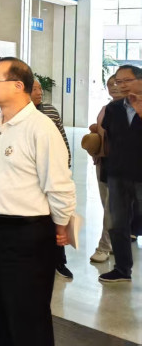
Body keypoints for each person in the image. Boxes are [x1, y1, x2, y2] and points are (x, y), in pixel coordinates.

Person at [0, 57, 75, 344]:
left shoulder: (41, 128)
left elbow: (59, 186)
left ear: (18, 85)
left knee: (27, 315)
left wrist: (61, 226)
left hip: (26, 235)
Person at [98, 64, 142, 283]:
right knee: (117, 223)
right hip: (118, 173)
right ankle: (123, 269)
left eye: (127, 80)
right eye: (118, 81)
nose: (121, 85)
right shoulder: (113, 108)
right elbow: (109, 138)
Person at [31, 79, 73, 279]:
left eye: (40, 88)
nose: (40, 92)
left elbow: (62, 137)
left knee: (56, 216)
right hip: (31, 177)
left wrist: (67, 161)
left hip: (52, 172)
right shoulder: (17, 114)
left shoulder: (50, 111)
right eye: (35, 89)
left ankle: (59, 261)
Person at [84, 75, 122, 263]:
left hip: (123, 166)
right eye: (110, 84)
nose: (113, 87)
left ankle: (104, 246)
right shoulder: (106, 109)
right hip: (104, 162)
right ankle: (115, 241)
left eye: (118, 83)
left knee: (111, 207)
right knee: (107, 205)